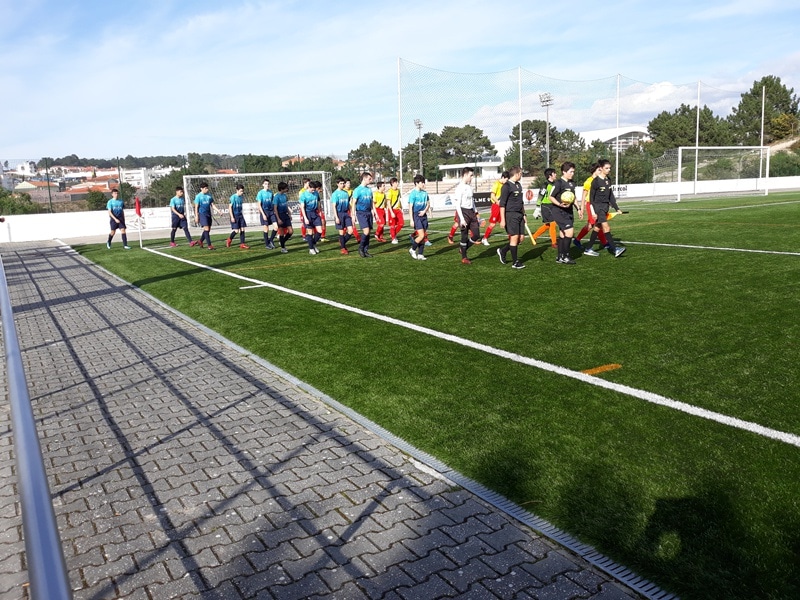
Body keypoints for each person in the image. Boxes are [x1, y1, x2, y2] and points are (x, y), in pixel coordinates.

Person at [583, 159, 626, 258]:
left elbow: (611, 196)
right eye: (606, 168)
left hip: (605, 207)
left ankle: (588, 248)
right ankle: (615, 249)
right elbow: (591, 199)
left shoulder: (608, 180)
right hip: (598, 208)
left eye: (609, 168)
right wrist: (593, 211)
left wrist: (617, 208)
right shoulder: (595, 181)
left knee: (597, 227)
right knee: (606, 227)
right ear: (601, 168)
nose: (609, 170)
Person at [549, 162, 583, 264]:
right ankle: (566, 256)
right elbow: (551, 197)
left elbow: (573, 197)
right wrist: (560, 204)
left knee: (563, 234)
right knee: (569, 232)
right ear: (564, 172)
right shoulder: (559, 183)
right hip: (559, 211)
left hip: (569, 211)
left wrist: (578, 209)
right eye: (570, 172)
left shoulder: (572, 183)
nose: (572, 173)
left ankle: (560, 256)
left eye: (573, 172)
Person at [496, 167, 526, 269]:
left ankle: (503, 251)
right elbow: (502, 204)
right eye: (520, 173)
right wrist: (503, 219)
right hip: (511, 215)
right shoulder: (506, 186)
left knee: (520, 238)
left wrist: (524, 214)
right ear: (516, 174)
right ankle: (515, 262)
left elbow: (521, 202)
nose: (521, 175)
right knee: (514, 237)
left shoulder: (518, 185)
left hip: (519, 214)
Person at [452, 167, 482, 264]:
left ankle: (463, 249)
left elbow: (472, 201)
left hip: (471, 212)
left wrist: (476, 212)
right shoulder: (459, 188)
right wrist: (461, 219)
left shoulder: (469, 187)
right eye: (471, 175)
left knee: (476, 235)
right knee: (464, 236)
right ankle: (464, 257)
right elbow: (457, 205)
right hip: (463, 212)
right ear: (465, 175)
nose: (472, 177)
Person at [530, 168, 559, 248]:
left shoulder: (555, 184)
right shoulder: (545, 185)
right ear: (550, 175)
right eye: (554, 173)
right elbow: (540, 196)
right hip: (546, 206)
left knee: (548, 225)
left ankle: (534, 236)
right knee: (553, 223)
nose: (556, 174)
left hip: (552, 206)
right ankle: (554, 242)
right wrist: (537, 208)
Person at [352, 171, 375, 258]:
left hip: (368, 212)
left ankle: (365, 250)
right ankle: (361, 248)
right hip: (361, 213)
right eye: (369, 178)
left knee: (368, 232)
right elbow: (353, 203)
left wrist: (373, 210)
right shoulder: (357, 190)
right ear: (364, 178)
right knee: (366, 231)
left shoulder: (369, 190)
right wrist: (353, 215)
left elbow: (371, 201)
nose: (370, 180)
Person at [482, 171, 509, 244]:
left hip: (502, 207)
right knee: (493, 224)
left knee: (505, 222)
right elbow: (492, 196)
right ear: (503, 177)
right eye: (506, 180)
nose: (506, 181)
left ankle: (512, 238)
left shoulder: (505, 185)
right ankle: (484, 238)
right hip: (496, 206)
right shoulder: (496, 184)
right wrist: (498, 202)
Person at [407, 174, 429, 260]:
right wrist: (411, 220)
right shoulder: (413, 194)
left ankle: (420, 254)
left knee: (423, 236)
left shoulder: (425, 193)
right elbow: (410, 207)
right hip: (416, 216)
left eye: (424, 182)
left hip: (423, 215)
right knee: (421, 235)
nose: (423, 184)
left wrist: (424, 211)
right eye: (422, 182)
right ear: (417, 183)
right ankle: (412, 249)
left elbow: (428, 204)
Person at [299, 180, 323, 254]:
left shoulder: (316, 193)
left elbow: (318, 202)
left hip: (315, 213)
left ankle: (313, 244)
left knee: (320, 231)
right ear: (309, 187)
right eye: (312, 190)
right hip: (307, 214)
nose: (313, 191)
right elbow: (302, 207)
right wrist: (305, 218)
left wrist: (320, 212)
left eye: (314, 190)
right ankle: (311, 249)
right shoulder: (303, 195)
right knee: (310, 232)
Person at [331, 177, 354, 254]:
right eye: (341, 183)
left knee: (350, 230)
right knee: (341, 232)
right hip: (339, 214)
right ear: (337, 184)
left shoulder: (346, 193)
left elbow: (349, 204)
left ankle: (342, 241)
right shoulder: (335, 194)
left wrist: (352, 213)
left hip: (346, 213)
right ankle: (343, 248)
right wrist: (336, 217)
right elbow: (334, 206)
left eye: (343, 183)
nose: (343, 185)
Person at [226, 183, 249, 249]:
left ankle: (242, 244)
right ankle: (229, 239)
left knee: (242, 229)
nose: (242, 192)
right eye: (241, 191)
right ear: (237, 190)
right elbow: (230, 207)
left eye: (242, 191)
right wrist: (232, 217)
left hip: (240, 215)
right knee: (236, 231)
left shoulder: (241, 197)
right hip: (235, 215)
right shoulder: (233, 197)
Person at [193, 182, 216, 249]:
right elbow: (196, 207)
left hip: (208, 214)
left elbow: (212, 205)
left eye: (207, 188)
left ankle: (200, 241)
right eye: (205, 188)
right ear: (201, 189)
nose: (207, 189)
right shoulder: (198, 196)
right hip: (202, 214)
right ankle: (209, 245)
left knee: (208, 230)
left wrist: (218, 211)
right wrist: (196, 216)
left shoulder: (209, 195)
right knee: (206, 229)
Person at [256, 178, 278, 249]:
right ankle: (267, 244)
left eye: (268, 184)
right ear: (263, 185)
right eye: (265, 184)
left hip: (271, 212)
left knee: (276, 227)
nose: (267, 185)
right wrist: (263, 214)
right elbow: (259, 205)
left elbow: (273, 202)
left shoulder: (270, 192)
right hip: (264, 212)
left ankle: (271, 240)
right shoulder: (260, 193)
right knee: (266, 228)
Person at [274, 182, 293, 253]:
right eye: (286, 188)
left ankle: (282, 242)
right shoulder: (276, 197)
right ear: (281, 189)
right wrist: (278, 219)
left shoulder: (285, 196)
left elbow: (286, 205)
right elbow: (275, 208)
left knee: (291, 231)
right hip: (280, 215)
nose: (287, 189)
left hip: (285, 215)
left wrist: (289, 214)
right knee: (281, 233)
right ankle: (283, 248)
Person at [387, 177, 404, 244]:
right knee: (392, 225)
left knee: (401, 223)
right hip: (392, 210)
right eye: (396, 182)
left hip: (398, 209)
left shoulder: (398, 190)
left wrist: (401, 207)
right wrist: (391, 212)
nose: (397, 183)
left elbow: (399, 199)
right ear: (393, 183)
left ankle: (393, 234)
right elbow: (388, 203)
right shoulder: (389, 191)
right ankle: (393, 238)